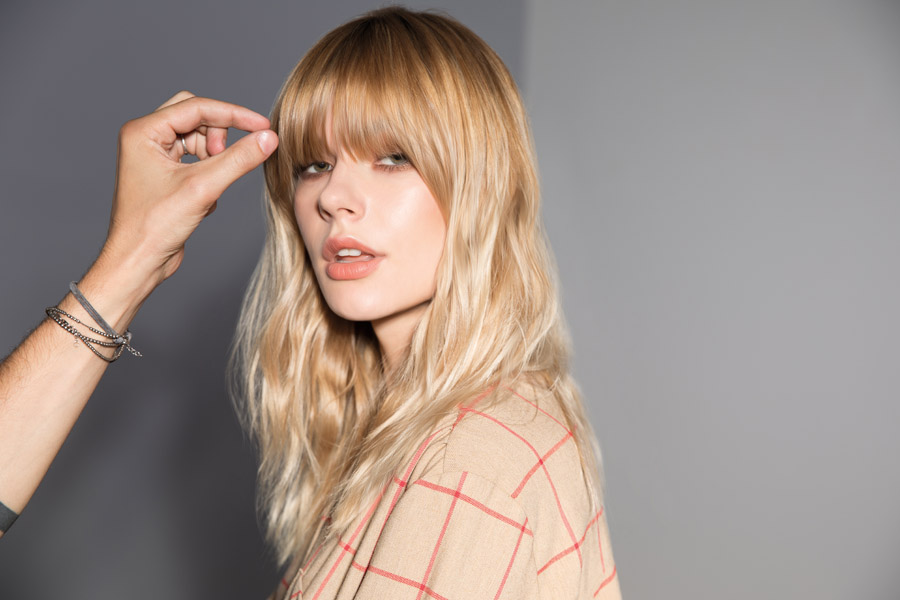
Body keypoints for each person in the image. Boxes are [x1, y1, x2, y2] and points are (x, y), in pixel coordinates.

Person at [0, 7, 619, 599]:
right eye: (315, 165)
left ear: (484, 186)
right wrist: (133, 254)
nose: (332, 198)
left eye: (393, 157)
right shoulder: (423, 429)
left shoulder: (468, 466)